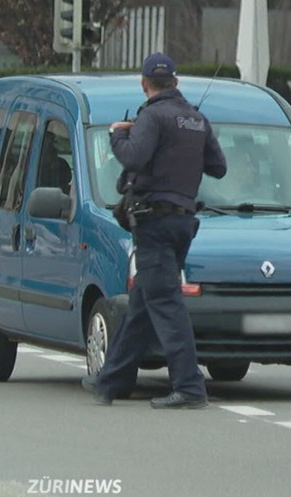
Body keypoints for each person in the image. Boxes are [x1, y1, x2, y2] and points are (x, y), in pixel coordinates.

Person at [82, 53, 227, 408]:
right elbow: (218, 167)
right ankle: (111, 382)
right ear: (175, 82)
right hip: (183, 222)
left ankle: (189, 387)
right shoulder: (196, 119)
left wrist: (117, 135)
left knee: (164, 302)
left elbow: (133, 157)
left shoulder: (151, 116)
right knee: (143, 305)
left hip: (154, 222)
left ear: (144, 84)